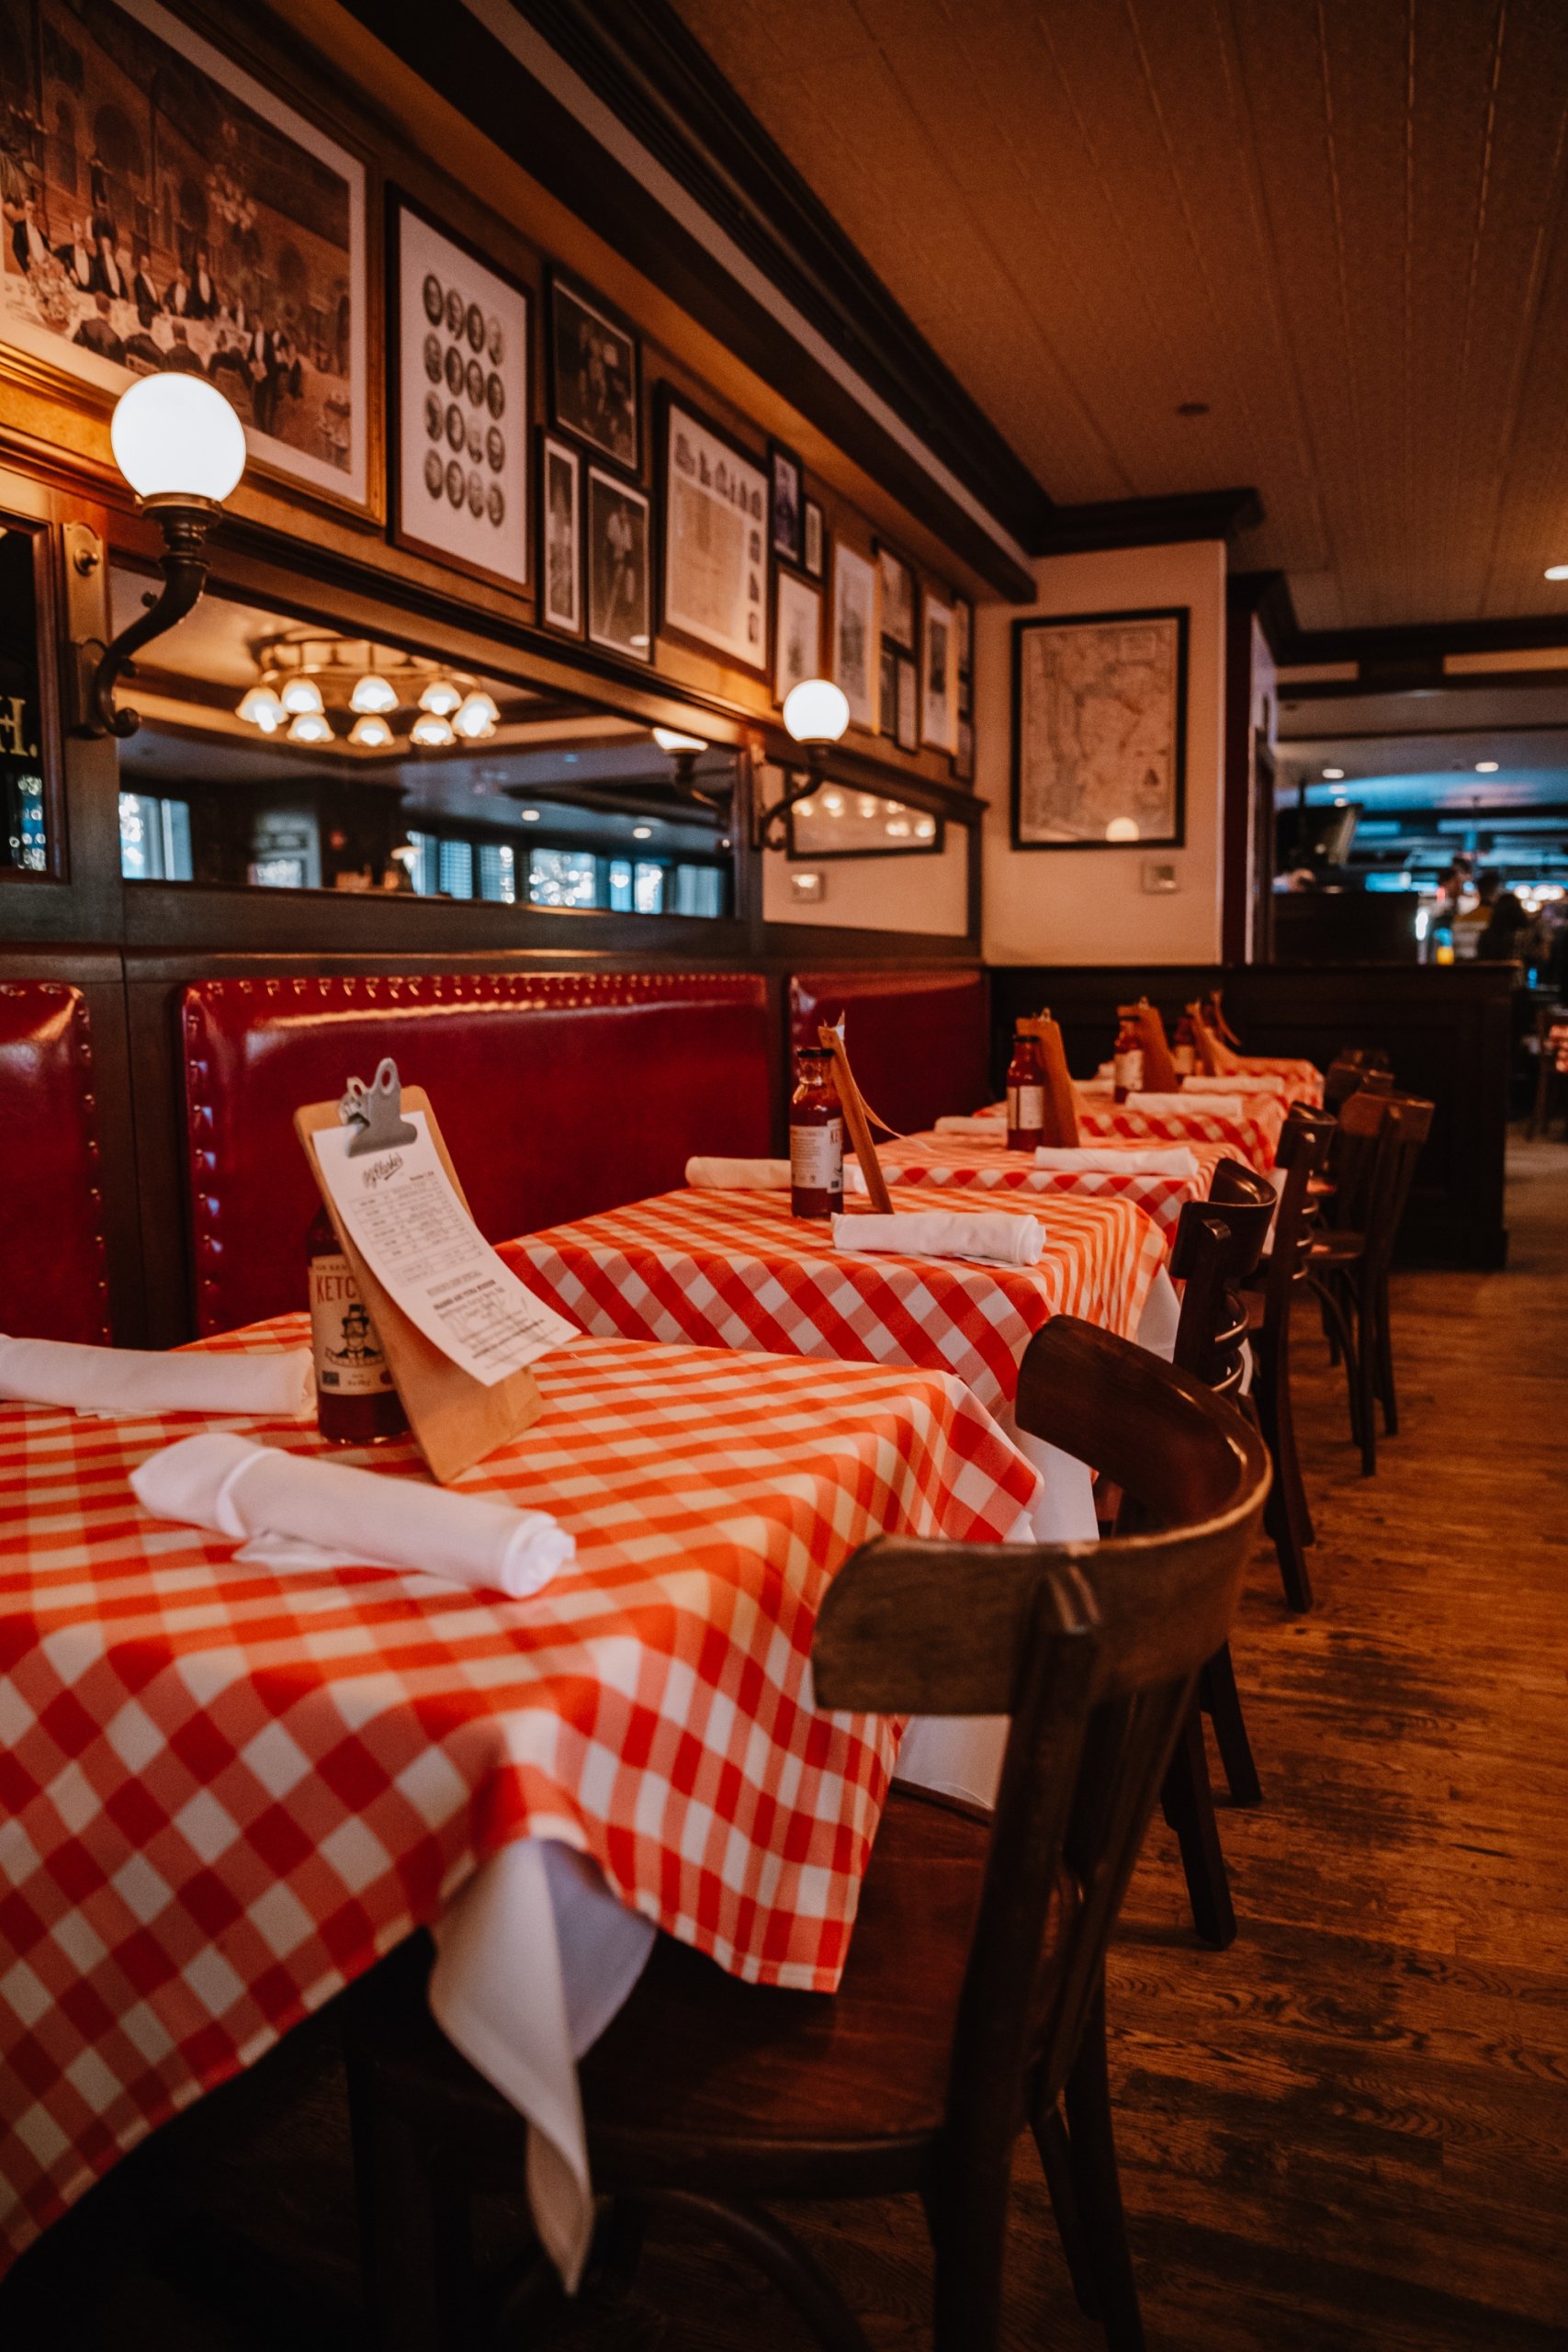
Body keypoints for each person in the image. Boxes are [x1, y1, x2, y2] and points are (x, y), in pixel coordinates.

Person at [10, 197, 52, 275]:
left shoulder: (41, 233)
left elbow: (48, 250)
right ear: (24, 210)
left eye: (34, 211)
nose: (32, 213)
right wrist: (27, 268)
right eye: (29, 209)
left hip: (45, 270)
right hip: (32, 270)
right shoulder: (19, 228)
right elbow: (17, 248)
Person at [55, 216, 94, 291]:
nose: (81, 236)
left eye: (82, 232)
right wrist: (69, 269)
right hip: (73, 291)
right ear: (72, 234)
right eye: (78, 232)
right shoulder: (66, 250)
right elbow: (56, 256)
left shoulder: (91, 259)